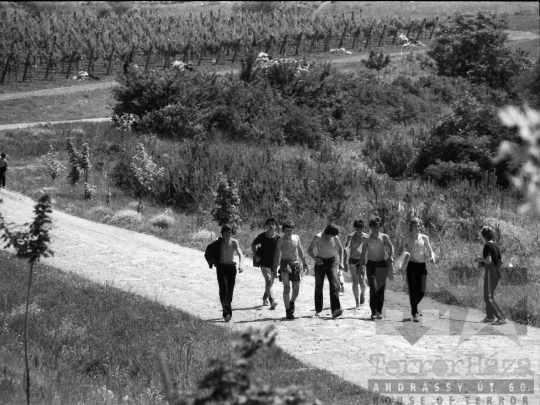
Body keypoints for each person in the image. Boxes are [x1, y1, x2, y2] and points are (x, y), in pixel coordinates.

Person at [397, 218, 435, 322]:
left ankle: (414, 304)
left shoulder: (424, 238)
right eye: (415, 226)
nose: (417, 228)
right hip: (411, 266)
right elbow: (399, 251)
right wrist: (404, 255)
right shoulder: (407, 239)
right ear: (411, 227)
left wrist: (432, 257)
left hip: (422, 266)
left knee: (422, 291)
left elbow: (431, 250)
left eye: (419, 226)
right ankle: (414, 312)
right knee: (413, 289)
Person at [204, 224, 243, 323]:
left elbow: (240, 254)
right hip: (221, 268)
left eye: (229, 232)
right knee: (224, 290)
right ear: (222, 233)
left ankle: (227, 309)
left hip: (231, 268)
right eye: (226, 232)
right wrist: (211, 261)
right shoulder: (218, 243)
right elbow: (208, 251)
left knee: (230, 291)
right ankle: (227, 313)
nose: (227, 234)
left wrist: (240, 265)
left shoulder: (234, 242)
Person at [359, 216, 394, 321]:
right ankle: (373, 311)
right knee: (373, 288)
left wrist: (391, 257)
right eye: (373, 227)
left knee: (381, 289)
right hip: (370, 265)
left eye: (377, 227)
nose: (375, 229)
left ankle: (379, 311)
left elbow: (391, 247)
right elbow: (363, 253)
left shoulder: (384, 237)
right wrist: (361, 267)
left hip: (381, 264)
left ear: (380, 227)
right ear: (370, 227)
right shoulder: (366, 239)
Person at [273, 220, 308, 320]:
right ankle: (288, 311)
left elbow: (300, 251)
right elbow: (276, 255)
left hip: (295, 264)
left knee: (296, 290)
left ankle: (291, 302)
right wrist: (275, 269)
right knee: (287, 288)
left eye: (291, 230)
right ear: (283, 230)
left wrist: (305, 264)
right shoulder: (281, 240)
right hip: (285, 264)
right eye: (287, 230)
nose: (289, 232)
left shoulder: (296, 238)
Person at [307, 224, 344, 318]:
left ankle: (335, 309)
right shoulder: (318, 237)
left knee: (335, 285)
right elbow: (309, 250)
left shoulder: (335, 237)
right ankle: (318, 309)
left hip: (332, 262)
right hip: (320, 263)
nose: (333, 237)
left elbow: (341, 248)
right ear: (327, 233)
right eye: (331, 235)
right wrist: (316, 259)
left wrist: (341, 262)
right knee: (319, 286)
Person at [475, 226, 507, 325]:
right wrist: (496, 269)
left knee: (488, 297)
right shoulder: (495, 245)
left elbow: (488, 261)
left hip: (490, 272)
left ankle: (501, 317)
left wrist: (479, 259)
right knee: (488, 296)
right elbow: (501, 261)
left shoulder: (487, 245)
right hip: (496, 273)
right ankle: (490, 317)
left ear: (483, 236)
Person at [251, 217, 280, 310]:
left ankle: (264, 297)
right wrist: (255, 255)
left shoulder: (279, 238)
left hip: (275, 263)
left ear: (275, 226)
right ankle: (272, 301)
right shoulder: (262, 236)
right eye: (269, 224)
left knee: (270, 283)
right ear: (266, 226)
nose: (271, 226)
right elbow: (253, 244)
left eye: (273, 224)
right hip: (264, 262)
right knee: (268, 280)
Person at [344, 219, 369, 308]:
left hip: (362, 261)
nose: (359, 230)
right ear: (355, 228)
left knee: (362, 281)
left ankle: (362, 293)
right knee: (355, 280)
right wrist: (344, 262)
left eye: (361, 228)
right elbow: (346, 249)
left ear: (363, 228)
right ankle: (357, 301)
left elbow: (371, 249)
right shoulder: (350, 237)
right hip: (352, 260)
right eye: (357, 228)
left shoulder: (366, 237)